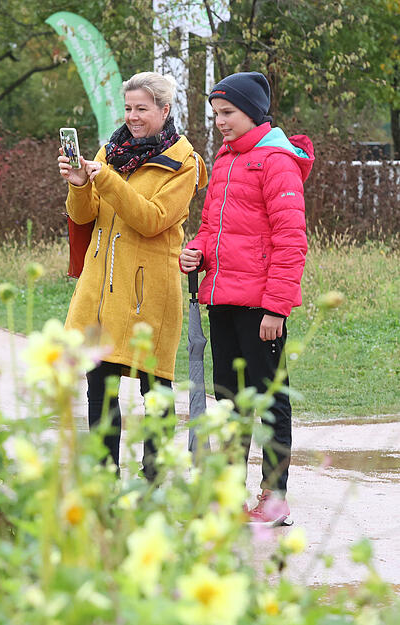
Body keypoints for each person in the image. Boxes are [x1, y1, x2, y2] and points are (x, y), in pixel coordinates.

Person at [179, 71, 314, 526]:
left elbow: (291, 240)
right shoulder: (224, 159)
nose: (220, 122)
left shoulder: (276, 161)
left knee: (270, 400)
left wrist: (277, 307)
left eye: (228, 113)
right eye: (216, 114)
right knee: (229, 399)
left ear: (252, 112)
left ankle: (274, 497)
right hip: (223, 300)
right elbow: (212, 226)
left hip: (261, 307)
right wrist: (196, 252)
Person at [58, 71, 208, 481]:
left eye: (142, 108)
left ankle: (154, 476)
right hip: (101, 289)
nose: (133, 116)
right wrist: (78, 184)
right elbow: (85, 214)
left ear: (164, 110)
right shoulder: (112, 149)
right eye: (128, 108)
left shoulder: (185, 162)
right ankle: (103, 475)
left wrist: (103, 179)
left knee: (154, 386)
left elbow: (152, 219)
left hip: (149, 292)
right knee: (99, 384)